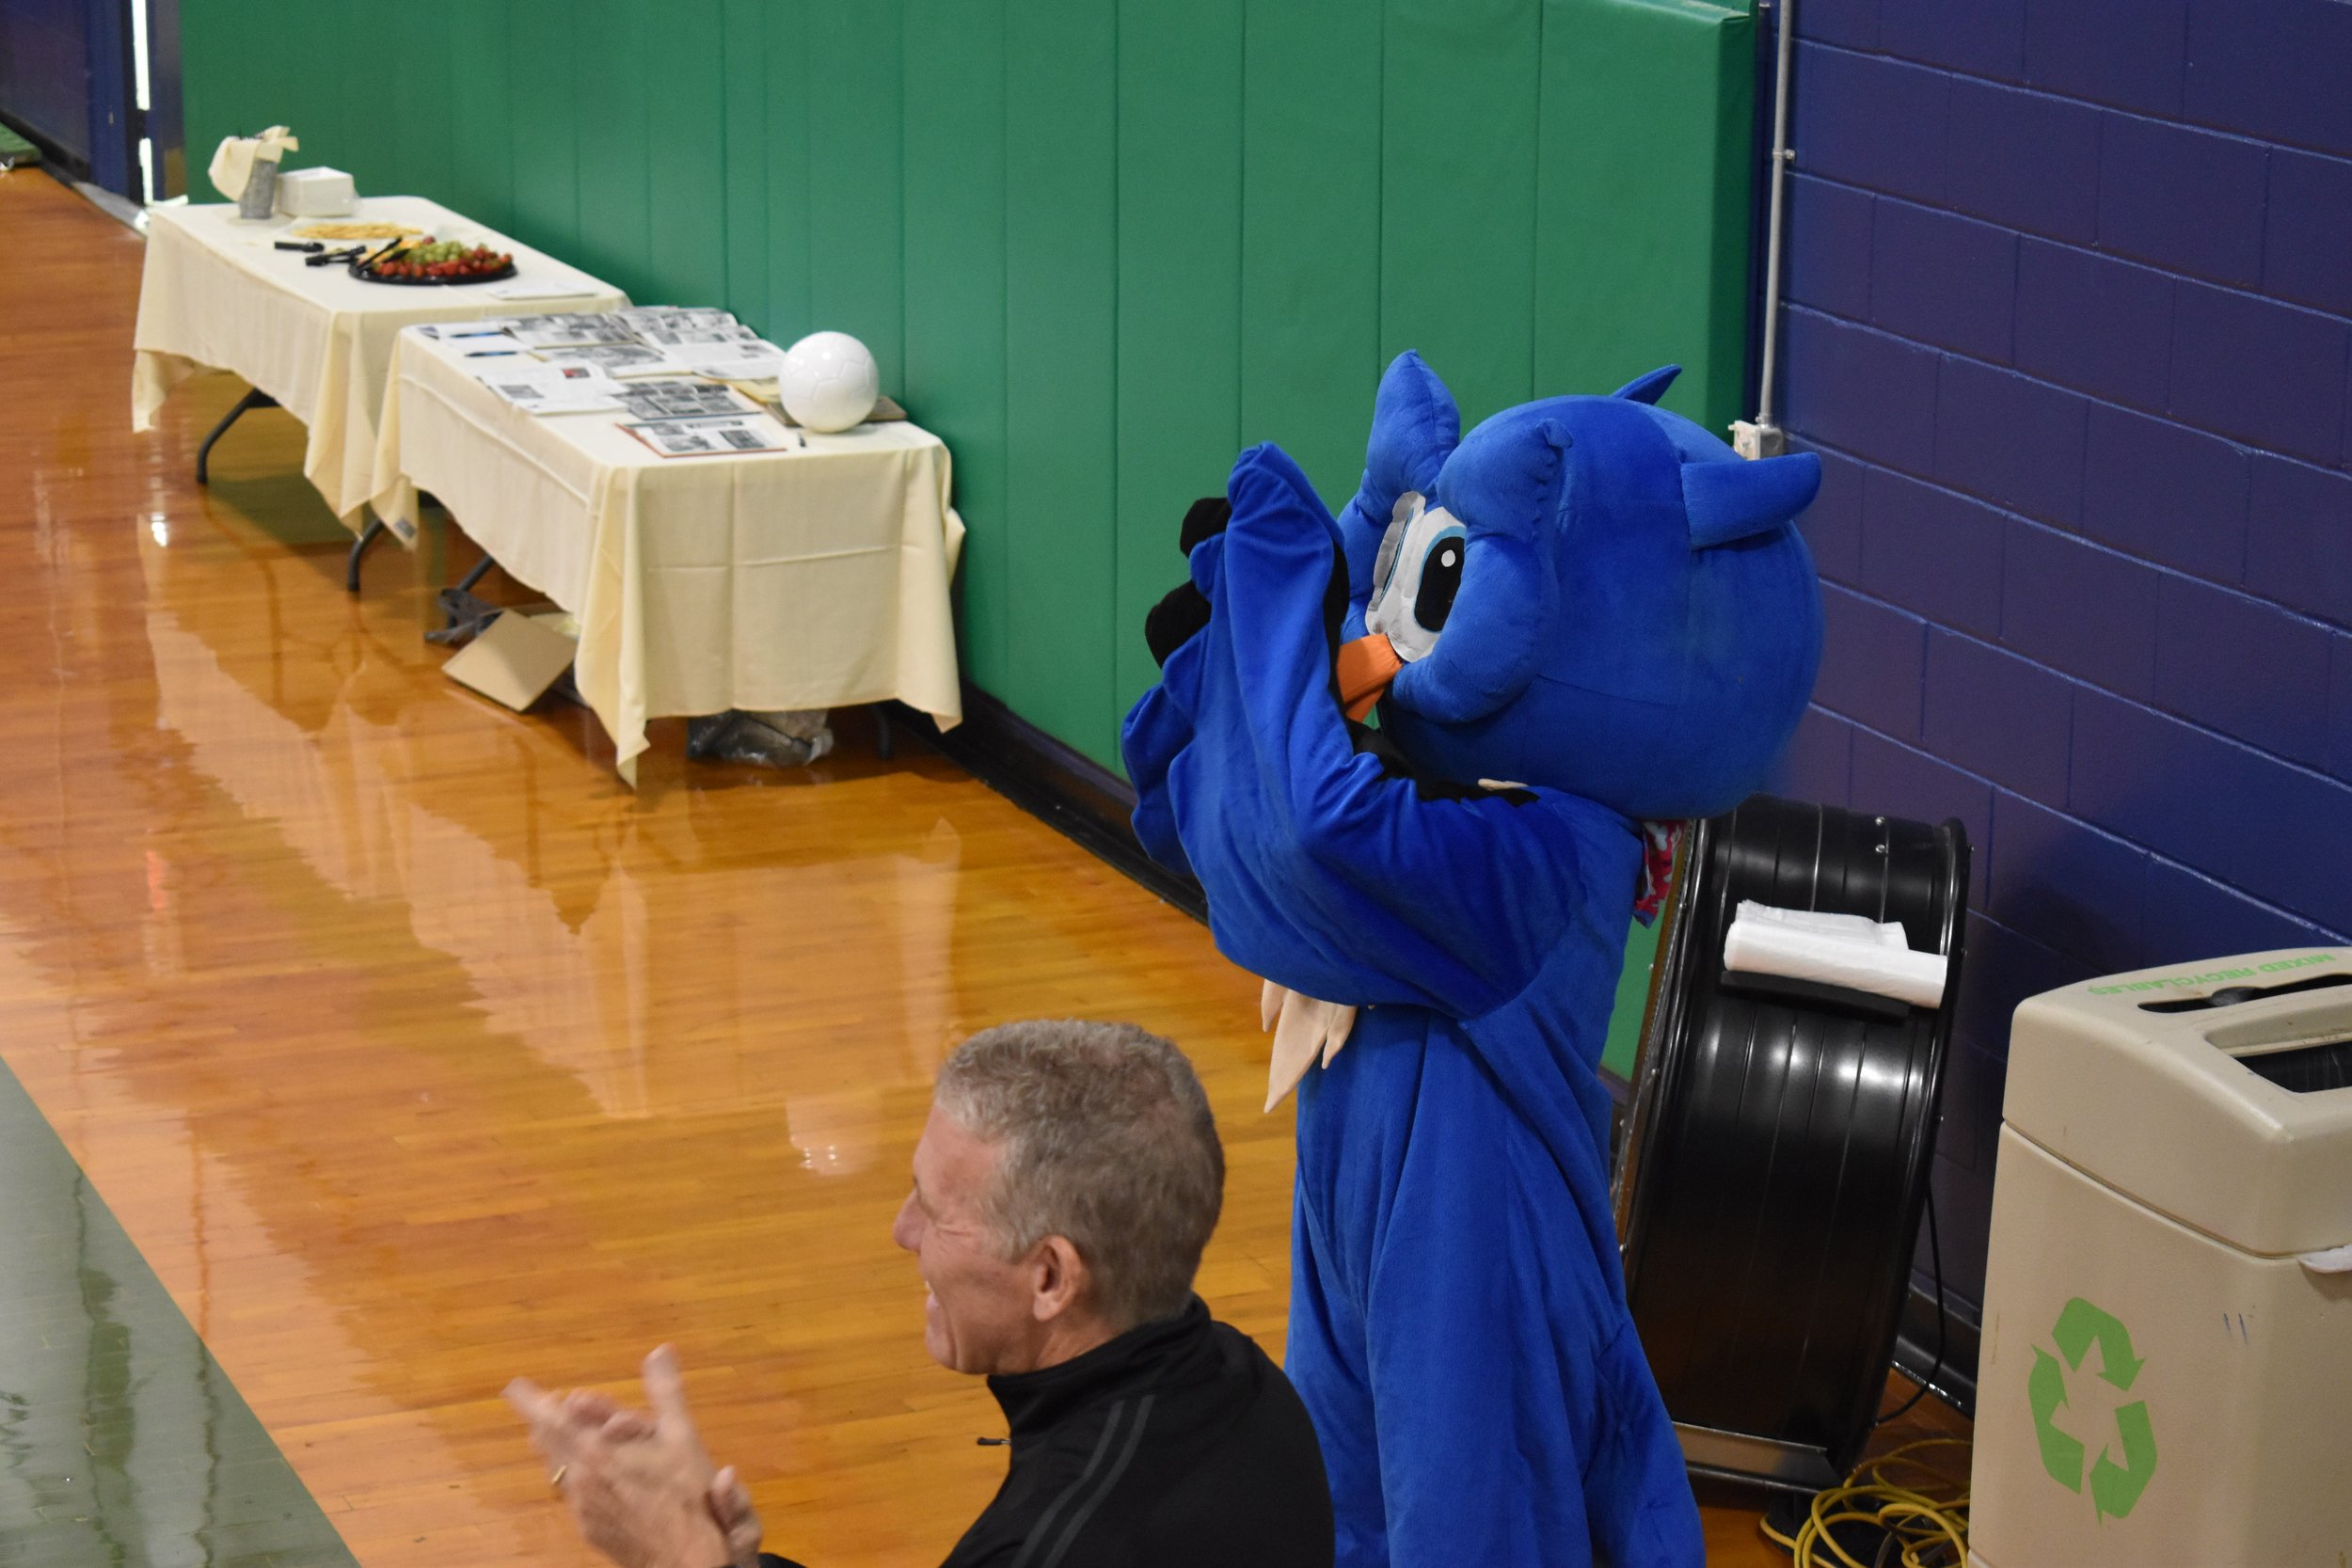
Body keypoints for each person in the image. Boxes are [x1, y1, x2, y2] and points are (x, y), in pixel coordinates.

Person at [508, 1019, 1333, 1568]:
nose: (901, 1231)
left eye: (936, 1212)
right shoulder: (1242, 1386)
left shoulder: (1068, 1535)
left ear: (1050, 1276)